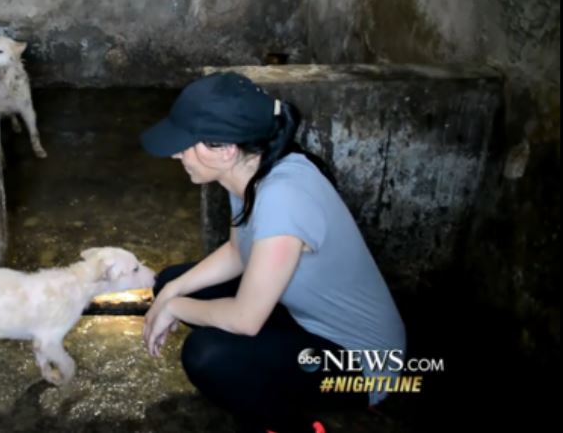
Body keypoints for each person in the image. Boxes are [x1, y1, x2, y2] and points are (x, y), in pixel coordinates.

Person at [139, 72, 406, 433]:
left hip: (360, 365)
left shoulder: (282, 198)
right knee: (171, 282)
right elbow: (238, 251)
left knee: (207, 355)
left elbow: (246, 319)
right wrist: (170, 293)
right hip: (305, 318)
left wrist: (172, 307)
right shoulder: (252, 167)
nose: (175, 153)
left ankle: (293, 424)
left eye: (186, 144)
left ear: (225, 150)